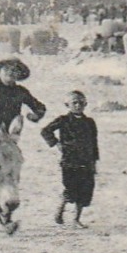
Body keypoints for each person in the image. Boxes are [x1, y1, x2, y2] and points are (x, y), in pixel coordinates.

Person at [0, 57, 45, 230]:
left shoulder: (21, 92)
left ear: (19, 75)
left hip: (10, 140)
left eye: (15, 72)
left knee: (10, 176)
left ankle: (5, 215)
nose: (11, 75)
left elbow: (39, 107)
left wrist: (35, 116)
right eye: (7, 71)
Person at [42, 91, 99, 227]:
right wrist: (56, 143)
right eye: (74, 102)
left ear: (86, 104)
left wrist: (95, 161)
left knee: (85, 190)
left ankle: (76, 219)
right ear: (67, 104)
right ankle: (60, 210)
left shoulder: (90, 122)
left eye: (81, 102)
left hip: (86, 161)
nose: (78, 105)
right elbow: (45, 131)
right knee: (70, 188)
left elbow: (94, 142)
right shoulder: (63, 120)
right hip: (70, 160)